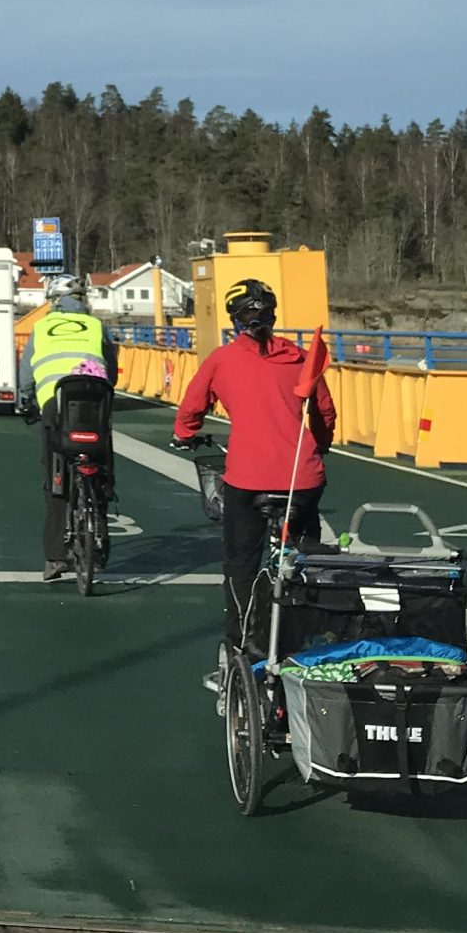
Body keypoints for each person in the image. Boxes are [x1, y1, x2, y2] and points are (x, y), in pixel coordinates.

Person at [173, 278, 335, 680]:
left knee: (242, 565)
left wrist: (185, 434)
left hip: (248, 478)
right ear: (273, 317)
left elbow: (191, 407)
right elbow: (325, 413)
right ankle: (304, 640)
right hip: (302, 477)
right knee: (304, 558)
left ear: (233, 320)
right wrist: (321, 445)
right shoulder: (300, 357)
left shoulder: (222, 360)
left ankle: (241, 647)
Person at [23, 277, 118, 583]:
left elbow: (26, 374)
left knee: (56, 477)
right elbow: (112, 368)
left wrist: (26, 402)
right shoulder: (96, 327)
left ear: (53, 302)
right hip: (94, 400)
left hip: (56, 404)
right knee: (99, 464)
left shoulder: (41, 329)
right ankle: (99, 547)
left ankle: (54, 558)